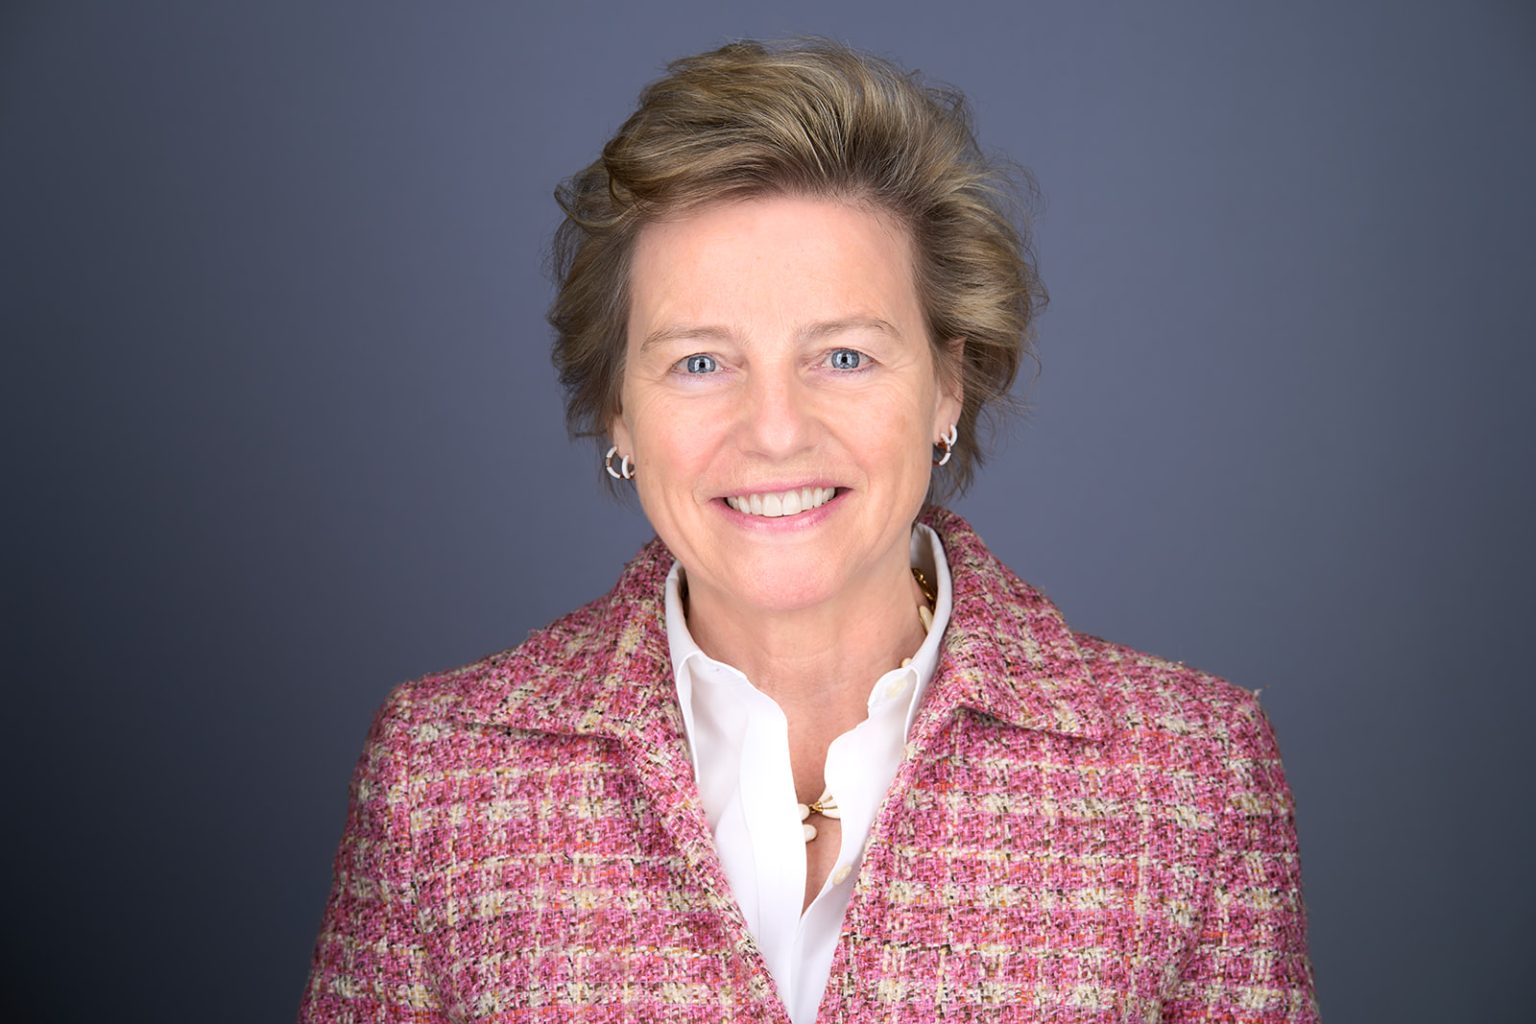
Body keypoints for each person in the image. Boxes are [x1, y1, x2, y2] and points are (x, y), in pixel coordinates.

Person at [298, 39, 1318, 1023]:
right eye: (701, 362)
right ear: (619, 410)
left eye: (843, 356)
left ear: (947, 384)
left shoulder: (1190, 775)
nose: (776, 431)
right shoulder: (444, 777)